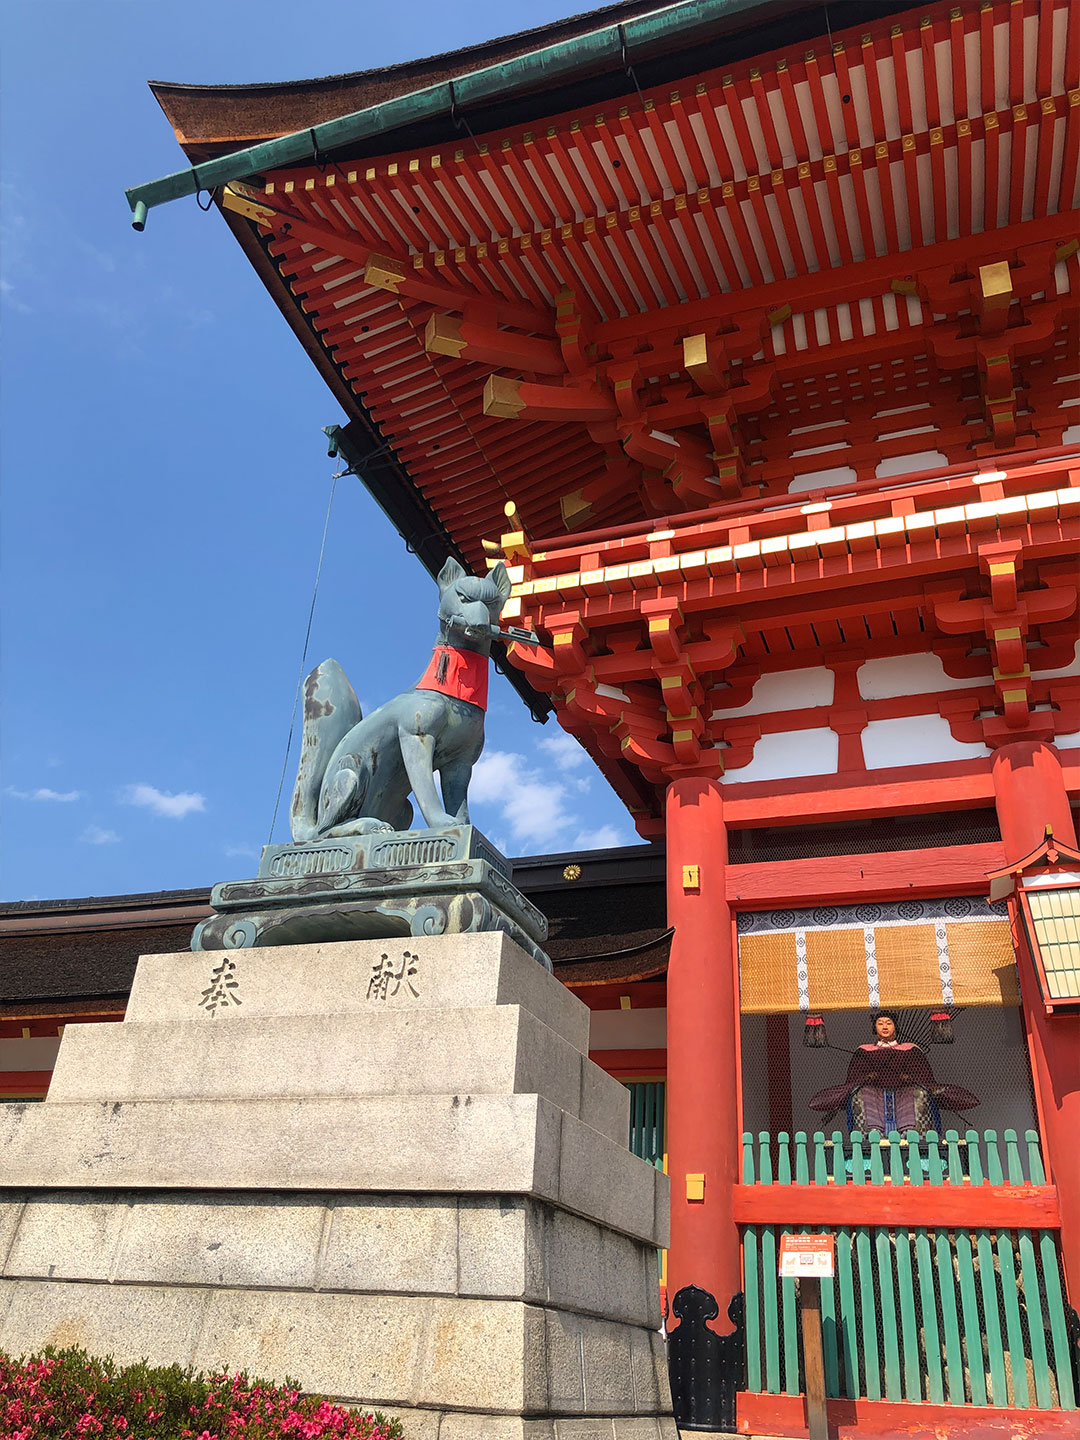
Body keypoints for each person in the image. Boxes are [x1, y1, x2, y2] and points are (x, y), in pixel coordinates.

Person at [808, 1011, 978, 1136]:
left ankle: (912, 1134)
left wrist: (910, 1078)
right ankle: (872, 1134)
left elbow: (924, 1079)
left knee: (920, 1093)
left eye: (888, 1023)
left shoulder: (910, 1050)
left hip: (906, 1092)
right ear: (874, 1027)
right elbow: (853, 1081)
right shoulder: (864, 1051)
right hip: (872, 1092)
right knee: (860, 1094)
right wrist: (866, 1079)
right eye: (880, 1023)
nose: (884, 1027)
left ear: (895, 1026)